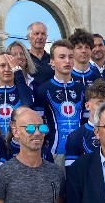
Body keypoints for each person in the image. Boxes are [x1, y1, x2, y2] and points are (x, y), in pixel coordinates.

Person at [33, 39, 86, 167]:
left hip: (81, 152)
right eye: (62, 57)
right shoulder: (43, 90)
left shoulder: (82, 90)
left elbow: (87, 123)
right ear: (52, 62)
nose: (67, 61)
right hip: (55, 153)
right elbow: (39, 124)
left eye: (70, 57)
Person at [65, 78, 105, 167]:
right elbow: (72, 174)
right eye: (100, 102)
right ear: (87, 106)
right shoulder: (75, 137)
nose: (104, 107)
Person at [0, 52, 34, 135]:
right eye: (2, 66)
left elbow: (28, 105)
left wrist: (18, 72)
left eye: (11, 66)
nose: (7, 69)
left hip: (17, 142)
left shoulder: (23, 92)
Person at [26, 22, 54, 86]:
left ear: (46, 37)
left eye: (43, 34)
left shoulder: (52, 59)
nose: (40, 37)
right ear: (28, 37)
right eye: (36, 34)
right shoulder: (24, 59)